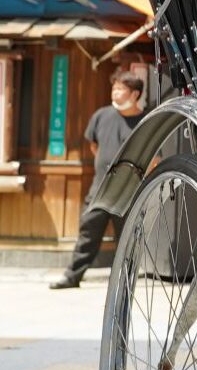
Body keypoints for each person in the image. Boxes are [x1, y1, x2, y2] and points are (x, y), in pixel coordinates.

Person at [51, 70, 146, 289]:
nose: (115, 92)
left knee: (127, 237)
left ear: (135, 94)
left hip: (129, 189)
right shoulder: (102, 115)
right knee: (88, 231)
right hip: (101, 186)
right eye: (114, 87)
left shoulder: (144, 120)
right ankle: (72, 277)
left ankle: (125, 281)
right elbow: (94, 145)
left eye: (121, 88)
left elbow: (153, 158)